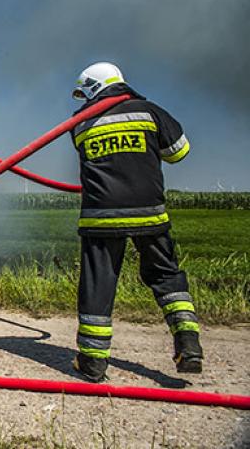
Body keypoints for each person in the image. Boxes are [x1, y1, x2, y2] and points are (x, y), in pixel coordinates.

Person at [68, 62, 202, 382]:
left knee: (98, 286)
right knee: (165, 275)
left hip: (100, 217)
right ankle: (188, 344)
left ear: (92, 91)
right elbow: (178, 151)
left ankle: (92, 362)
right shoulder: (149, 112)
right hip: (148, 212)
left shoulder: (80, 123)